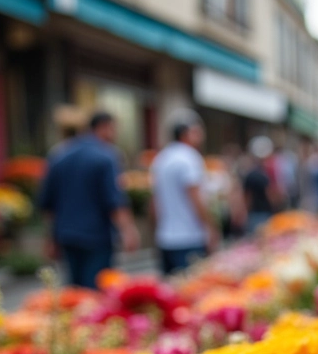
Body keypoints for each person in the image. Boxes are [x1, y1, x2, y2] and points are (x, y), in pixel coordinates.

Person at [39, 111, 138, 289]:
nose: (114, 135)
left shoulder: (60, 155)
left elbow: (48, 203)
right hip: (96, 236)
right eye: (113, 129)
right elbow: (114, 201)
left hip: (67, 234)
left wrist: (50, 238)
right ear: (103, 127)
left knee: (75, 288)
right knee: (97, 289)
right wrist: (128, 231)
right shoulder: (106, 156)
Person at [150, 111, 213, 275]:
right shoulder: (189, 157)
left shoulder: (161, 158)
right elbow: (196, 197)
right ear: (187, 134)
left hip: (165, 238)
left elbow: (155, 200)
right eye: (198, 131)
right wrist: (210, 228)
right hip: (189, 237)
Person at [243, 136, 275, 234]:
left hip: (254, 213)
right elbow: (269, 194)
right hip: (262, 213)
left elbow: (246, 196)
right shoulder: (262, 175)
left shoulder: (250, 174)